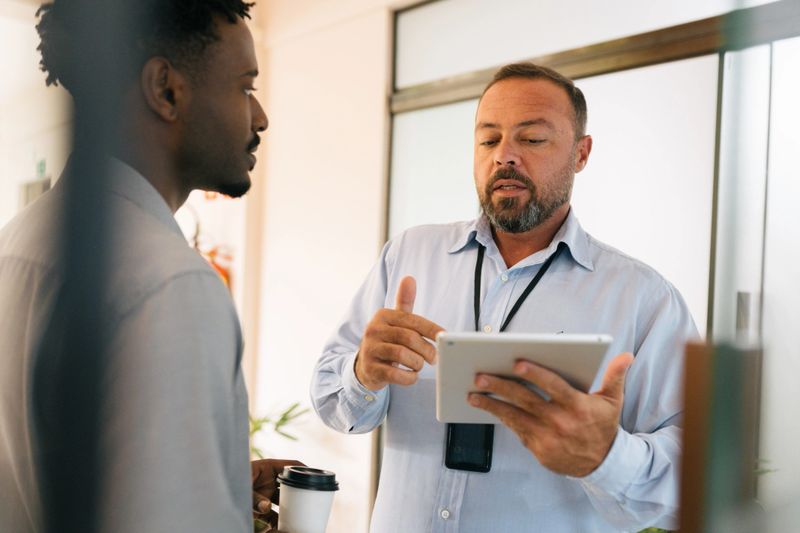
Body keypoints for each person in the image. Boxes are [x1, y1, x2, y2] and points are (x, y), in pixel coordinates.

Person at [311, 62, 697, 532]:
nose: (504, 156)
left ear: (581, 153)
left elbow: (695, 475)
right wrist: (362, 375)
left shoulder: (644, 299)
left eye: (531, 139)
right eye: (489, 139)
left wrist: (607, 456)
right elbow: (334, 405)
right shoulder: (410, 254)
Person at [0, 1, 295, 532]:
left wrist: (218, 481)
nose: (260, 117)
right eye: (245, 86)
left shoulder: (15, 245)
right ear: (166, 89)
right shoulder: (170, 285)